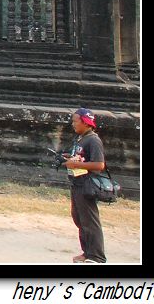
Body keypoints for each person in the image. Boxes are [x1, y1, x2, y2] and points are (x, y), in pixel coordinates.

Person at [63, 107, 108, 264]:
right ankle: (87, 252)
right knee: (79, 219)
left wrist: (75, 165)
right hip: (77, 183)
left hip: (87, 184)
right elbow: (83, 158)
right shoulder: (81, 139)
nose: (73, 124)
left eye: (75, 121)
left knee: (89, 221)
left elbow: (99, 165)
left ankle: (97, 257)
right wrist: (69, 158)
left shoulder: (93, 140)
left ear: (85, 122)